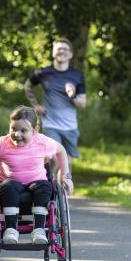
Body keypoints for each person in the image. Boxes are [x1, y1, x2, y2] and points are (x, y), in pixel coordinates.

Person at [0, 106, 73, 245]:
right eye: (14, 129)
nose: (17, 134)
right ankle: (11, 229)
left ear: (35, 130)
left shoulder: (42, 142)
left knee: (44, 186)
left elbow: (61, 150)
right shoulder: (2, 144)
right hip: (9, 187)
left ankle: (39, 230)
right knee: (9, 185)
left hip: (37, 184)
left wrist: (67, 177)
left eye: (23, 130)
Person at [23, 37, 86, 169]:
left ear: (70, 54)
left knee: (67, 162)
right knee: (54, 160)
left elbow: (82, 103)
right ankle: (51, 188)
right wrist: (35, 105)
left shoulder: (77, 75)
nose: (62, 51)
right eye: (58, 49)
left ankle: (64, 189)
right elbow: (27, 86)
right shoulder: (43, 73)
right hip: (50, 124)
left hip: (70, 126)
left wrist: (72, 95)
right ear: (53, 52)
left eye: (65, 49)